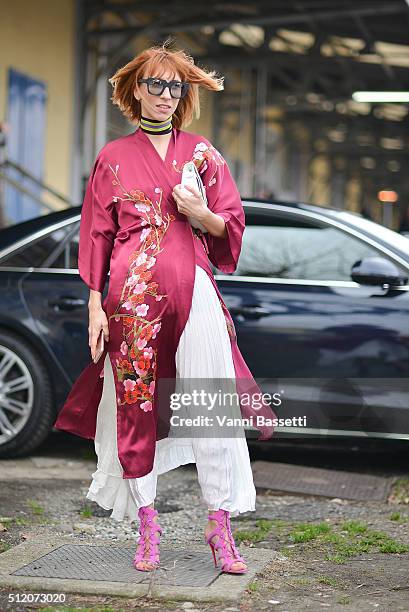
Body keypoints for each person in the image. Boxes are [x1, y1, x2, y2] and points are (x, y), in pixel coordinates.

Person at [54, 40, 276, 574]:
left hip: (194, 290)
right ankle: (147, 525)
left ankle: (219, 526)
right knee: (134, 406)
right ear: (135, 90)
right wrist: (94, 306)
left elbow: (232, 229)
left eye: (175, 86)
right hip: (130, 300)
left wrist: (199, 211)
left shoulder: (203, 153)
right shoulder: (112, 158)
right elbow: (97, 236)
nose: (166, 95)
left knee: (212, 403)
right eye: (155, 84)